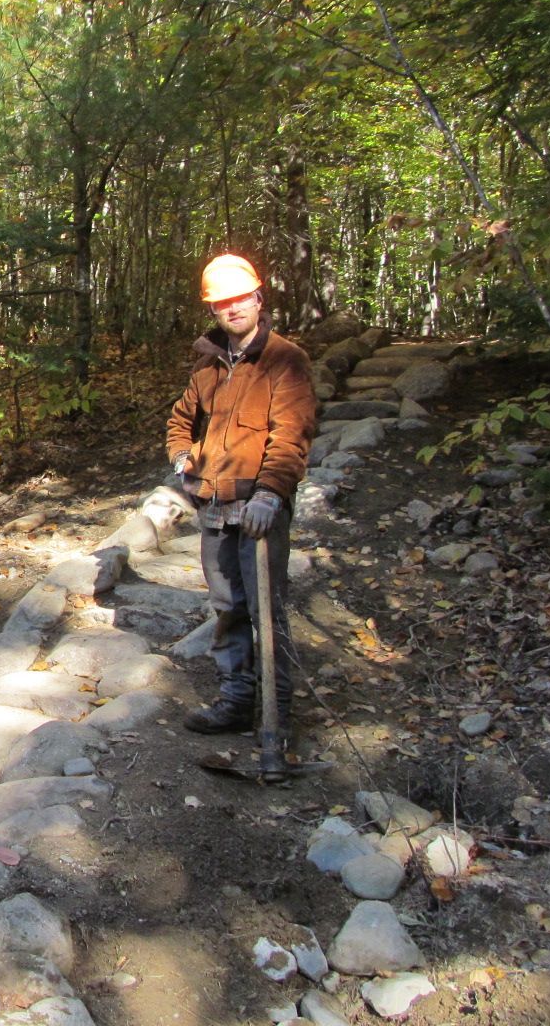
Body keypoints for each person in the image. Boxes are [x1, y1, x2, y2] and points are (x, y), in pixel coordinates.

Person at [167, 254, 317, 736]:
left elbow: (291, 435)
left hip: (259, 507)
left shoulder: (285, 359)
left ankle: (278, 715)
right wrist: (183, 460)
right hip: (215, 505)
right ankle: (235, 700)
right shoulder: (208, 366)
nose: (231, 309)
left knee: (265, 612)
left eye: (239, 299)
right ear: (213, 310)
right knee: (228, 608)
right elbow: (179, 421)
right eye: (221, 303)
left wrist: (270, 495)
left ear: (258, 297)